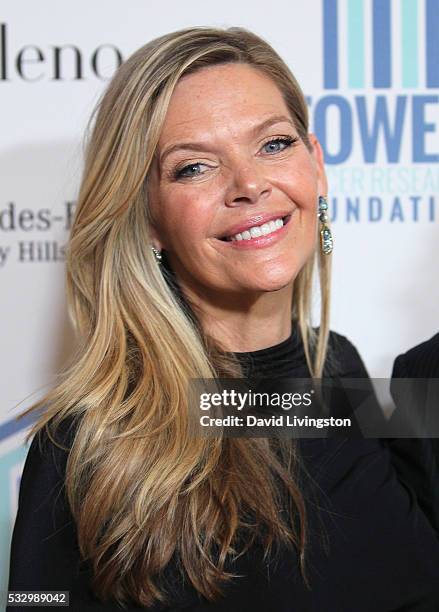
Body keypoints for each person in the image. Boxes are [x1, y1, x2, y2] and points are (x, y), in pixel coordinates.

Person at [8, 26, 439, 611]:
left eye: (274, 144)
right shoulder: (86, 442)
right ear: (148, 221)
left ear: (316, 166)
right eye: (193, 168)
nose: (249, 184)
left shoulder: (339, 370)